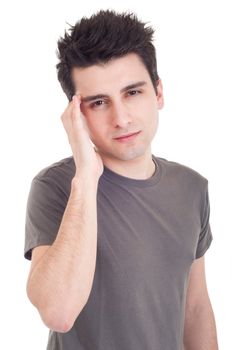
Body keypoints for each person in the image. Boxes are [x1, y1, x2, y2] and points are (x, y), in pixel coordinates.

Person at [24, 9, 219, 350]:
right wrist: (86, 176)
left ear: (158, 92)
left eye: (132, 92)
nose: (121, 118)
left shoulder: (192, 188)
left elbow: (196, 308)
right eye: (99, 102)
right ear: (76, 114)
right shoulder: (56, 186)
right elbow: (58, 312)